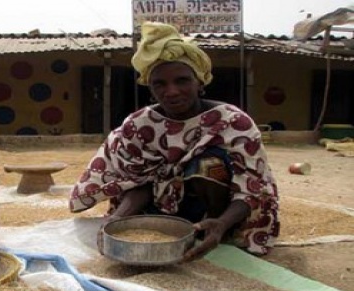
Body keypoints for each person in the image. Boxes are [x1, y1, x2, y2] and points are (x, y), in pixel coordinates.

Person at [69, 22, 279, 260]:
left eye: (181, 80)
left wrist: (221, 223)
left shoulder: (233, 122)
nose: (171, 91)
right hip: (161, 208)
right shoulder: (139, 126)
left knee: (208, 165)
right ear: (150, 88)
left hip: (222, 212)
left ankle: (214, 231)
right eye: (160, 83)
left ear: (199, 82)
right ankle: (177, 228)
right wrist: (116, 219)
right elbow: (138, 181)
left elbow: (252, 186)